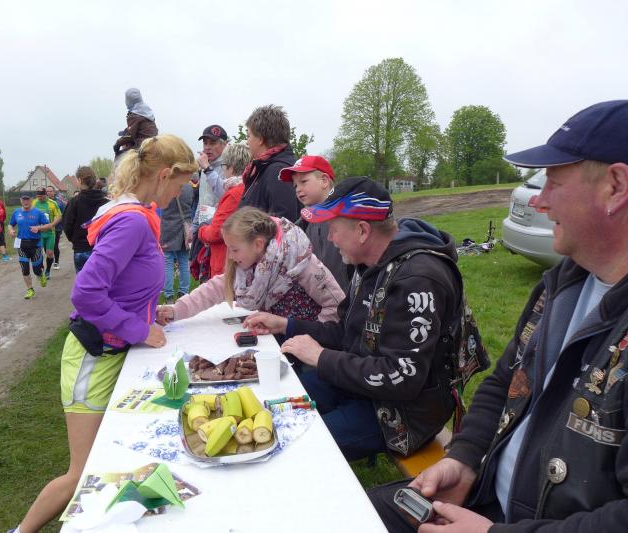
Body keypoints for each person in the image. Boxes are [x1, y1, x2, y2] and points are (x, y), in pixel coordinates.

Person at [370, 100, 628, 532]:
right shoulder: (564, 283)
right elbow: (505, 382)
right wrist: (464, 460)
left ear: (616, 186)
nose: (540, 201)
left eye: (554, 183)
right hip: (483, 500)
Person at [10, 134, 199, 533]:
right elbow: (86, 292)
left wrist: (147, 313)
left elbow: (125, 284)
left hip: (112, 354)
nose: (180, 194)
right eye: (181, 185)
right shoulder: (132, 221)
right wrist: (137, 328)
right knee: (82, 473)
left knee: (114, 458)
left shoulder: (139, 214)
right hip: (93, 359)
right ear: (164, 175)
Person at [243, 177, 463, 461]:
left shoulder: (417, 279)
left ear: (362, 231)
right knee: (275, 403)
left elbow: (401, 378)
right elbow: (347, 334)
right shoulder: (368, 265)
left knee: (293, 443)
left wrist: (321, 357)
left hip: (404, 413)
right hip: (360, 385)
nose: (330, 239)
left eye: (333, 229)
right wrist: (286, 324)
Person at [157, 206, 345, 328]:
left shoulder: (301, 263)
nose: (230, 256)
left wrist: (306, 335)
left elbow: (337, 306)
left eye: (234, 250)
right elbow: (212, 290)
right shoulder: (246, 267)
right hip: (276, 342)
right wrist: (176, 310)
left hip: (307, 352)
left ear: (258, 244)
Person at [280, 155, 352, 293]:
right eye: (295, 185)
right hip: (320, 300)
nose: (298, 189)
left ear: (324, 181)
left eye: (303, 181)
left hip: (348, 298)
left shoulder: (347, 218)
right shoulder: (300, 226)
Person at [197, 143, 252, 277]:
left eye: (224, 166)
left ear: (231, 168)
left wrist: (202, 228)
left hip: (224, 262)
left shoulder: (233, 193)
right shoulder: (248, 188)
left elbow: (216, 233)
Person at [238, 104, 299, 222]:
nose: (247, 142)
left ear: (260, 139)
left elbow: (283, 224)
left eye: (248, 136)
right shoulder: (265, 168)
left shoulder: (278, 171)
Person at [63, 166, 109, 273]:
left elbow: (67, 226)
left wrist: (75, 240)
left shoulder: (74, 202)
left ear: (79, 180)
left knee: (84, 281)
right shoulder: (106, 202)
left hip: (81, 249)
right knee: (102, 280)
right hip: (103, 248)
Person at [9, 193, 51, 299]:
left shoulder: (38, 212)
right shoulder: (16, 212)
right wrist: (11, 230)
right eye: (23, 199)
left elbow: (48, 225)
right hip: (21, 244)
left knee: (36, 269)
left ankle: (40, 274)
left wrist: (39, 228)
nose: (25, 202)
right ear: (20, 200)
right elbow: (10, 224)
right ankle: (30, 289)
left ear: (32, 200)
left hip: (35, 244)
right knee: (25, 268)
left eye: (27, 199)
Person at [159, 175, 194, 302]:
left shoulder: (166, 187)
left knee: (168, 261)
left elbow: (161, 204)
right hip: (185, 227)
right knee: (183, 261)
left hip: (168, 226)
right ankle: (184, 292)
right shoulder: (189, 187)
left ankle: (168, 294)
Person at [193, 124, 229, 225]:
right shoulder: (206, 165)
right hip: (203, 226)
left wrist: (208, 169)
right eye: (205, 143)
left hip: (220, 226)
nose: (207, 147)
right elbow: (202, 200)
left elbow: (227, 195)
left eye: (213, 143)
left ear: (225, 144)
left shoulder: (230, 166)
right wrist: (194, 225)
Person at [112, 88, 158, 158]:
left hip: (142, 145)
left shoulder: (134, 115)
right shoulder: (147, 111)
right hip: (154, 142)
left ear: (128, 100)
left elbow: (130, 136)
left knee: (119, 156)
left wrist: (117, 144)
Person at [30, 187, 62, 279]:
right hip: (38, 233)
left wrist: (52, 224)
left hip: (49, 233)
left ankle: (48, 271)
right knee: (38, 254)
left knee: (50, 253)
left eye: (41, 196)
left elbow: (59, 216)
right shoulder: (34, 203)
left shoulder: (52, 203)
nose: (39, 198)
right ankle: (41, 270)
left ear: (45, 195)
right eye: (38, 196)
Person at [46, 185, 66, 270]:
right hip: (45, 228)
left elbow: (64, 215)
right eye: (47, 191)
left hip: (56, 228)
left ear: (54, 192)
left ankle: (56, 262)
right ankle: (50, 258)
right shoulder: (43, 202)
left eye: (50, 191)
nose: (49, 193)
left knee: (54, 245)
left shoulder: (59, 203)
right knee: (47, 247)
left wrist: (62, 226)